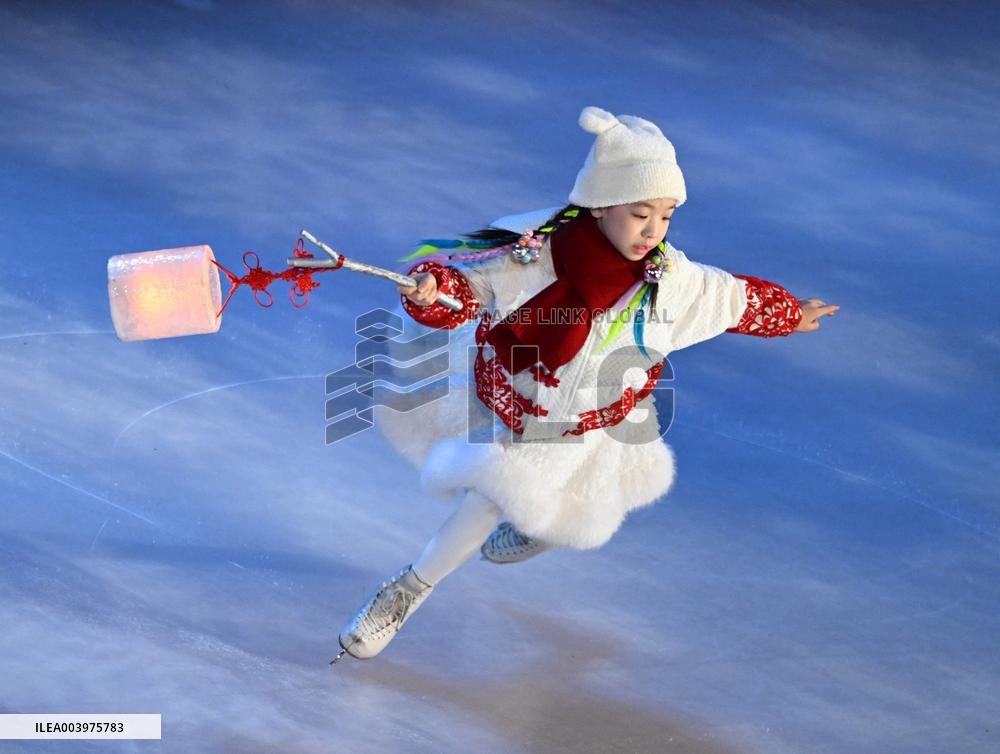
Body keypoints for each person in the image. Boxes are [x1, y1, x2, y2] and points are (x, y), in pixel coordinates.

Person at [330, 105, 839, 664]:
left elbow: (731, 297)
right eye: (640, 213)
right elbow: (468, 285)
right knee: (487, 499)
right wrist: (431, 290)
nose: (653, 230)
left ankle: (537, 523)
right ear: (600, 207)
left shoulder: (670, 281)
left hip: (598, 415)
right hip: (522, 402)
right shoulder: (537, 257)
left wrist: (790, 313)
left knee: (583, 491)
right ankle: (406, 591)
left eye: (666, 216)